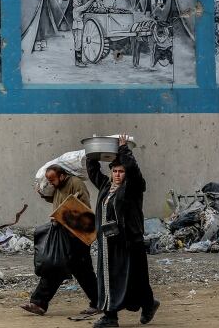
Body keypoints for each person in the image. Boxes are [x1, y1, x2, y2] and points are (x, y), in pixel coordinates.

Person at [86, 135, 160, 328]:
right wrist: (92, 151)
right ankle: (113, 315)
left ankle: (144, 305)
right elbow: (93, 170)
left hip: (128, 241)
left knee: (136, 278)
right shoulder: (105, 187)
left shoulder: (133, 188)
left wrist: (124, 149)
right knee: (109, 277)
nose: (118, 174)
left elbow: (134, 171)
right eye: (115, 171)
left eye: (121, 171)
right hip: (108, 243)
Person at [20, 165, 100, 318]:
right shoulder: (59, 186)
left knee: (83, 272)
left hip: (77, 236)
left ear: (62, 176)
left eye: (52, 179)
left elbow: (83, 209)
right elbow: (57, 199)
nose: (51, 183)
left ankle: (99, 302)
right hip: (63, 234)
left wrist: (64, 213)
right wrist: (44, 195)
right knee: (56, 266)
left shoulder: (76, 183)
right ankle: (39, 303)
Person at [72, 0, 98, 67]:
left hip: (77, 27)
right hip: (77, 27)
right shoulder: (77, 9)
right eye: (78, 1)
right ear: (75, 3)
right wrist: (91, 0)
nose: (79, 2)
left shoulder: (77, 9)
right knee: (78, 43)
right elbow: (84, 7)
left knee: (78, 43)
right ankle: (78, 61)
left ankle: (78, 61)